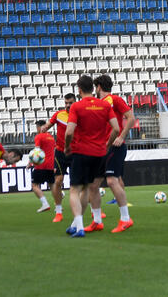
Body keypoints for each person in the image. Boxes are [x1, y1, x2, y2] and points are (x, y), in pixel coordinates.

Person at [64, 75, 119, 238]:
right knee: (87, 188)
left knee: (74, 189)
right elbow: (116, 129)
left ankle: (80, 227)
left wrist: (67, 146)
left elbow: (69, 132)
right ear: (93, 88)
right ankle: (75, 225)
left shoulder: (77, 106)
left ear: (79, 89)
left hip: (82, 152)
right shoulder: (104, 105)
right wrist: (107, 144)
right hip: (100, 154)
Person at [94, 74, 135, 233]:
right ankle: (97, 220)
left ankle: (125, 218)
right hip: (101, 148)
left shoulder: (115, 99)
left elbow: (131, 118)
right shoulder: (98, 104)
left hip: (114, 146)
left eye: (96, 87)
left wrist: (121, 136)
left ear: (98, 87)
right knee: (94, 184)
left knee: (111, 180)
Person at [40, 93, 76, 222]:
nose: (68, 105)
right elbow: (48, 125)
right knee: (58, 181)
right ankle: (59, 211)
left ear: (75, 102)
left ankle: (94, 211)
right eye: (66, 103)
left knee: (78, 183)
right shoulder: (58, 114)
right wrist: (44, 128)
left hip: (75, 153)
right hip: (60, 153)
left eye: (70, 103)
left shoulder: (79, 115)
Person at [31, 120, 57, 213]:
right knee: (52, 185)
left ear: (39, 127)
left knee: (35, 185)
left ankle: (45, 204)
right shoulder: (51, 137)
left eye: (37, 127)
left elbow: (37, 151)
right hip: (50, 165)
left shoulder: (38, 136)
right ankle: (58, 206)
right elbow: (54, 150)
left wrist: (30, 162)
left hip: (41, 165)